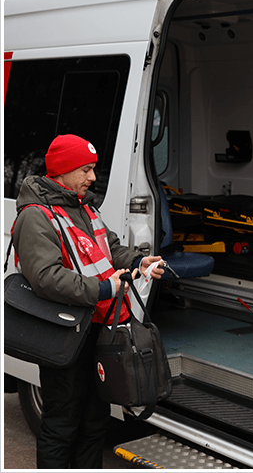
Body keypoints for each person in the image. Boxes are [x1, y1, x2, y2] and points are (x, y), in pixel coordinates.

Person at [12, 134, 165, 469]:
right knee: (62, 424)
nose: (92, 178)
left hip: (98, 331)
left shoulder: (85, 208)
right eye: (86, 169)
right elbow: (46, 277)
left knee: (95, 421)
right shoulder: (36, 216)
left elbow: (111, 249)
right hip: (66, 335)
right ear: (62, 172)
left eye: (93, 169)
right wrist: (103, 289)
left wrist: (139, 262)